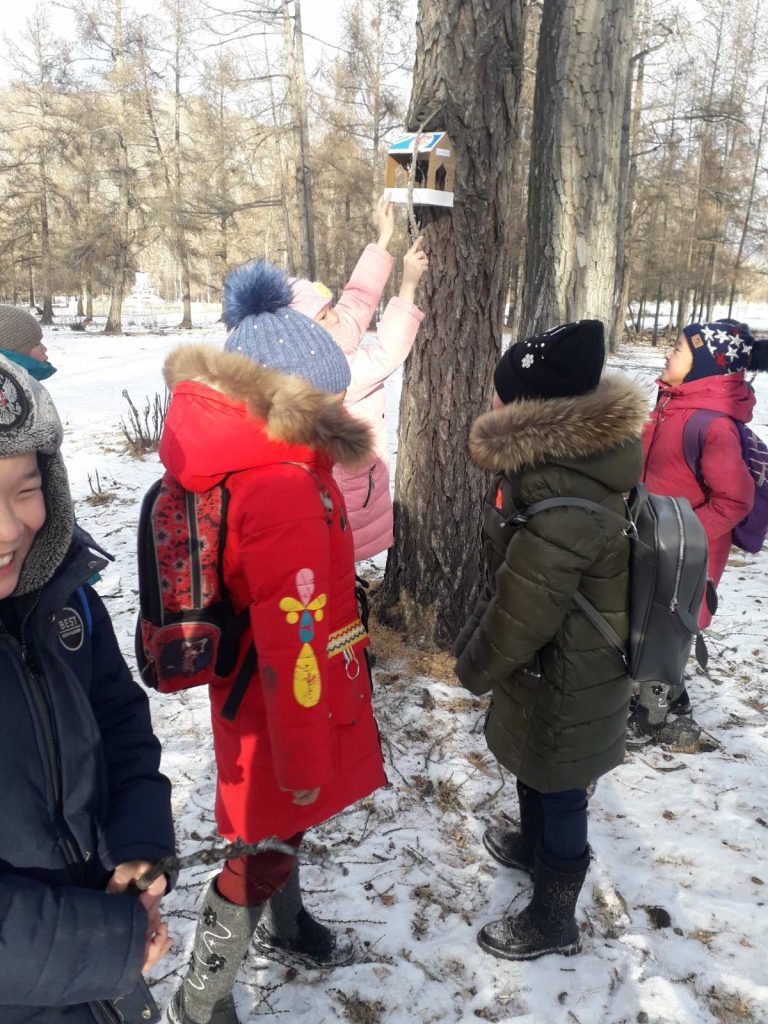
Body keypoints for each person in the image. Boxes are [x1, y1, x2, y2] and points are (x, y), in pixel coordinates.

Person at [160, 260, 387, 1024]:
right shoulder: (282, 486)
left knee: (275, 830)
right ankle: (202, 998)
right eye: (326, 399)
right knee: (255, 850)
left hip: (262, 697)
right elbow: (295, 646)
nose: (337, 409)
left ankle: (288, 927)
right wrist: (305, 760)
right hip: (277, 709)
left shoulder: (274, 462)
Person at [453, 322, 647, 961]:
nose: (492, 400)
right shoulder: (565, 466)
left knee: (561, 784)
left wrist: (474, 664)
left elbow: (525, 610)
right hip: (557, 661)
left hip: (574, 668)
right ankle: (534, 847)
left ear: (533, 407)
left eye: (503, 392)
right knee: (535, 760)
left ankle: (554, 915)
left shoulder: (564, 492)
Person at [0, 355, 174, 1023]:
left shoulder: (60, 601)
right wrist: (104, 943)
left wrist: (138, 842)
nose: (11, 528)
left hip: (95, 979)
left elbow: (120, 722)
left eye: (25, 488)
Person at [632, 319, 766, 743]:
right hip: (653, 539)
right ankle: (663, 696)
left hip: (684, 552)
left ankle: (656, 714)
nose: (667, 353)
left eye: (678, 348)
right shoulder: (669, 405)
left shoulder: (712, 425)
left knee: (669, 626)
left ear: (706, 364)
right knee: (646, 618)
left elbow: (736, 499)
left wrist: (681, 537)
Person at [290, 198, 428, 561]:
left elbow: (357, 300)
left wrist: (383, 239)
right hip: (350, 490)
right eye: (323, 316)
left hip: (352, 480)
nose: (335, 317)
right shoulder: (329, 378)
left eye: (328, 308)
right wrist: (408, 285)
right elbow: (386, 353)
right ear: (305, 335)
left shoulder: (326, 338)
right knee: (338, 553)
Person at [0, 303, 56, 380]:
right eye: (37, 344)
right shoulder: (12, 385)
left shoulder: (19, 383)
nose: (45, 349)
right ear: (17, 351)